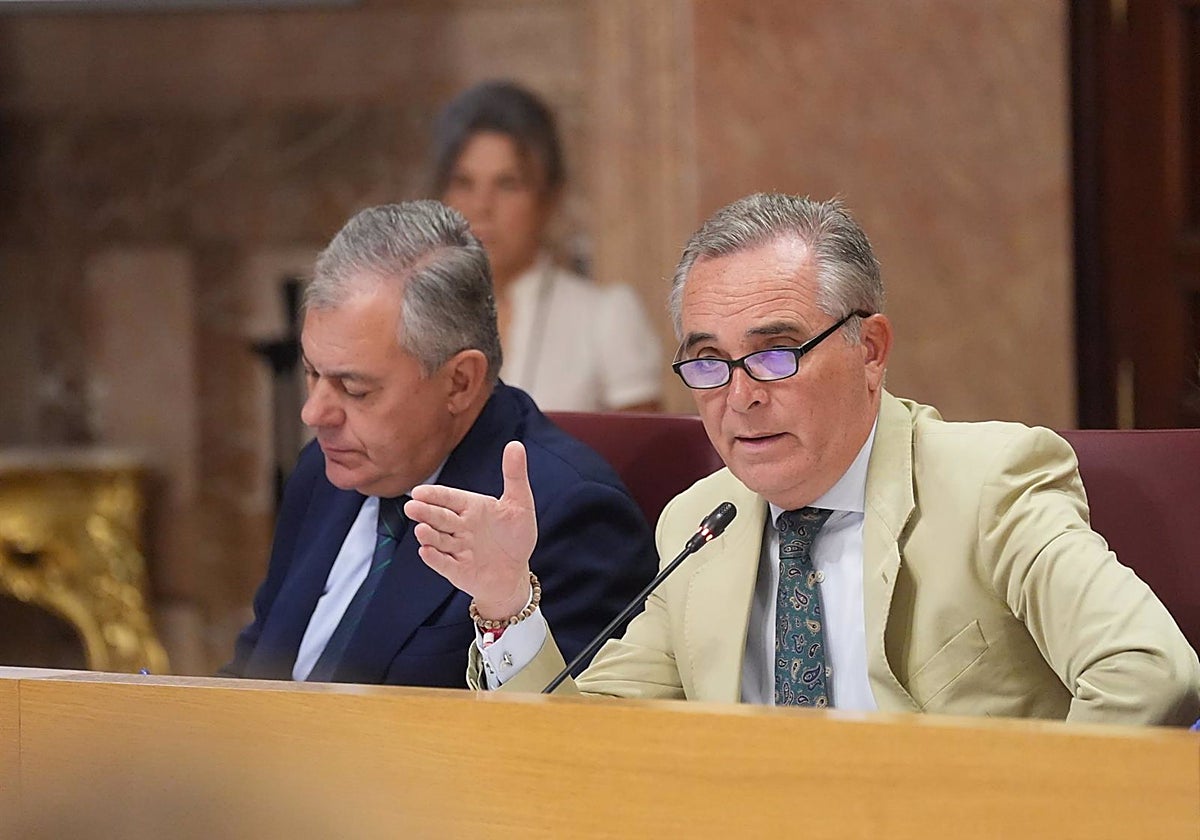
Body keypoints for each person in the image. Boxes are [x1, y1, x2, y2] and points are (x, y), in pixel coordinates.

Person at [404, 193, 1200, 724]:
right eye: (708, 361)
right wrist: (508, 601)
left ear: (871, 350)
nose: (739, 395)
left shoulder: (990, 481)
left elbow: (1149, 672)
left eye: (777, 354)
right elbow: (585, 747)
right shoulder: (701, 525)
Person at [220, 200, 656, 687]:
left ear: (460, 383)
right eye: (311, 373)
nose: (314, 413)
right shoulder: (323, 470)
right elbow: (256, 666)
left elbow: (554, 738)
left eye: (355, 389)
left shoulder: (566, 515)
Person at [432, 80, 662, 412]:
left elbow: (644, 460)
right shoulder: (414, 318)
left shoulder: (604, 318)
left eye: (507, 184)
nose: (481, 205)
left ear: (549, 197)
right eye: (464, 183)